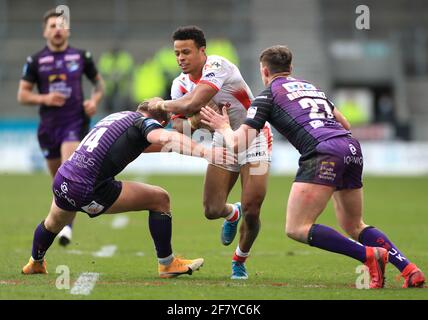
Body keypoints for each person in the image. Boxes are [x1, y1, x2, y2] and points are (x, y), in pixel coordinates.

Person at [200, 45, 425, 288]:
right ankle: (409, 269)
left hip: (323, 152)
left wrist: (223, 126)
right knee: (355, 224)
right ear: (291, 68)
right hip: (350, 147)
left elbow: (238, 144)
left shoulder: (267, 95)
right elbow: (345, 122)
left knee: (297, 227)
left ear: (264, 71)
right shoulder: (311, 88)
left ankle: (369, 255)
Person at [21, 98, 230, 278]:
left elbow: (157, 145)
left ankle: (35, 262)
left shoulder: (120, 116)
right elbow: (166, 138)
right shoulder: (145, 122)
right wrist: (206, 152)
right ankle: (167, 264)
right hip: (89, 188)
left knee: (52, 223)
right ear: (162, 121)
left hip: (64, 179)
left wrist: (192, 128)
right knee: (160, 199)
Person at [149, 26, 273, 280]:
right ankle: (231, 213)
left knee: (253, 208)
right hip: (222, 138)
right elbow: (180, 129)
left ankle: (239, 259)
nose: (180, 58)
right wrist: (194, 123)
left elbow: (194, 103)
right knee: (211, 209)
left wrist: (161, 105)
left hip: (254, 135)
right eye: (176, 53)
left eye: (186, 52)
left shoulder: (217, 65)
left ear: (202, 51)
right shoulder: (179, 85)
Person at [17, 9, 105, 247]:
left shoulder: (80, 56)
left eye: (61, 25)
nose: (57, 30)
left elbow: (98, 85)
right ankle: (57, 222)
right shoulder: (35, 61)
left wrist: (93, 102)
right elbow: (22, 95)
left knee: (71, 173)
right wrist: (44, 99)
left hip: (74, 124)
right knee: (58, 181)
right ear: (45, 31)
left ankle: (67, 227)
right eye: (52, 26)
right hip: (48, 128)